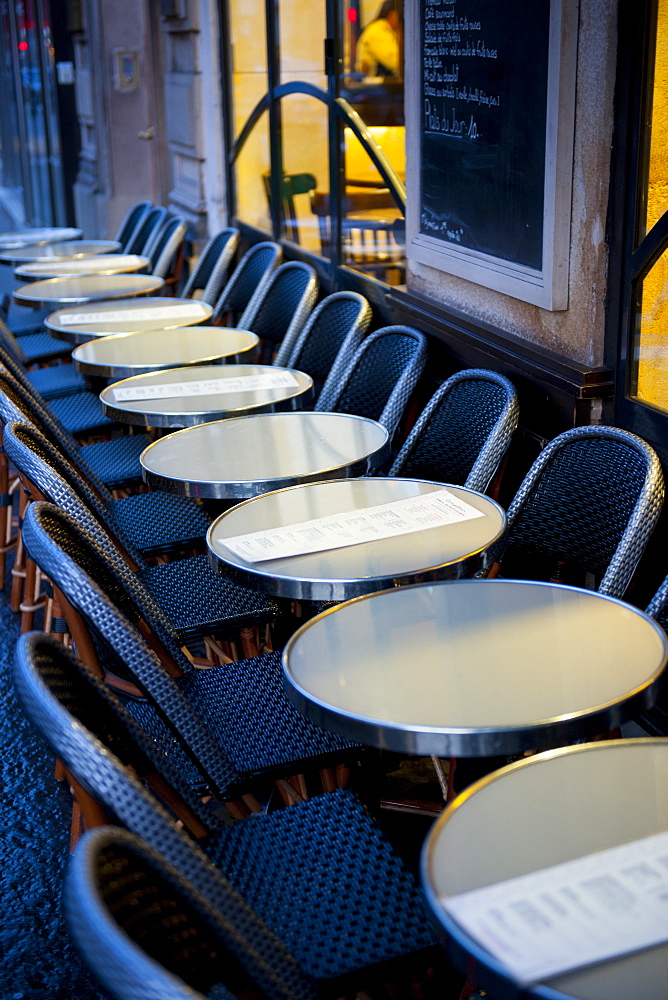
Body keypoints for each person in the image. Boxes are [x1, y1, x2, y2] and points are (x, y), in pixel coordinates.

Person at [355, 0, 402, 79]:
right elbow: (395, 61)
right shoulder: (377, 30)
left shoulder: (389, 30)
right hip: (374, 85)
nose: (401, 20)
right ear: (392, 13)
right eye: (400, 15)